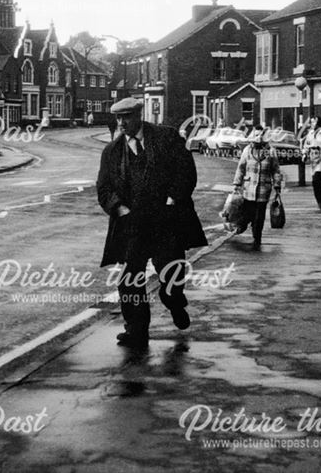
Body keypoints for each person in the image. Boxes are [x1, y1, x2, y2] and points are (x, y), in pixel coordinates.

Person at [96, 97, 208, 348]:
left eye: (127, 117)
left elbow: (186, 172)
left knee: (171, 273)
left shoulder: (166, 138)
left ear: (139, 115)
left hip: (165, 221)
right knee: (129, 281)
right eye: (118, 118)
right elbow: (103, 189)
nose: (122, 122)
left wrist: (171, 199)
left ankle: (174, 302)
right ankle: (136, 330)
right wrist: (120, 208)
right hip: (133, 224)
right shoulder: (112, 152)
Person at [232, 126, 284, 251]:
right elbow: (241, 168)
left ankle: (257, 237)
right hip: (249, 188)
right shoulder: (247, 150)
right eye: (256, 135)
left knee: (259, 216)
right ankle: (245, 227)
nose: (258, 138)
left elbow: (276, 170)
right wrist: (236, 184)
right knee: (249, 213)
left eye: (261, 135)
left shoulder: (270, 151)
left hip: (263, 189)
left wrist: (277, 185)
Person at [302, 115, 321, 210]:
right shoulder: (310, 133)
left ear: (318, 123)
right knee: (316, 183)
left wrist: (315, 144)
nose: (312, 124)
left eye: (314, 122)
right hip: (313, 158)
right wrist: (304, 154)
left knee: (316, 179)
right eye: (311, 122)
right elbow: (306, 144)